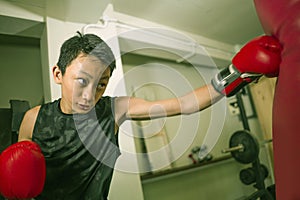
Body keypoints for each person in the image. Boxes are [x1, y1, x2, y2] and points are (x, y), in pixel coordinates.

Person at [0, 32, 282, 200]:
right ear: (58, 75)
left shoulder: (114, 109)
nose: (90, 95)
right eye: (82, 80)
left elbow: (182, 104)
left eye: (101, 84)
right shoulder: (33, 118)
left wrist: (235, 75)